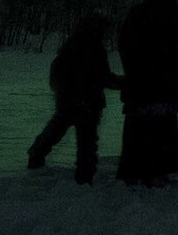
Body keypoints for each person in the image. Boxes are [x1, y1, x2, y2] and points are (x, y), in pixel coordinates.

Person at [116, 0, 178, 186]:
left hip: (139, 80)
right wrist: (173, 58)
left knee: (136, 128)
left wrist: (133, 69)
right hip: (166, 80)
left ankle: (132, 171)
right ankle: (164, 171)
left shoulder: (138, 12)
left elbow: (123, 45)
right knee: (165, 128)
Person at [27, 14, 122, 184]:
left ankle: (37, 154)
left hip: (69, 99)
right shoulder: (92, 48)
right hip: (85, 101)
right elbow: (102, 77)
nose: (106, 33)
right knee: (86, 141)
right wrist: (127, 83)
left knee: (58, 129)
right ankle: (85, 176)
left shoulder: (72, 45)